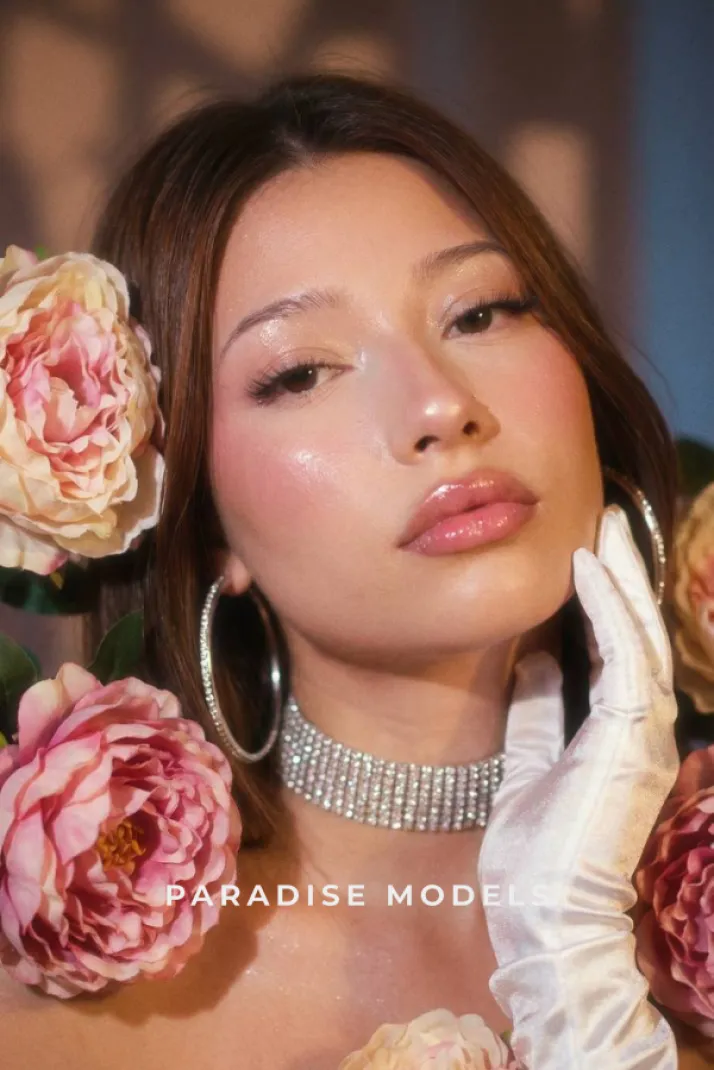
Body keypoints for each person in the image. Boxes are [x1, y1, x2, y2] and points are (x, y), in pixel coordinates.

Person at [0, 72, 709, 1069]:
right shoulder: (50, 1029)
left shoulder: (692, 932)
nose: (440, 407)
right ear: (200, 518)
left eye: (481, 312)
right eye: (300, 371)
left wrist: (580, 965)